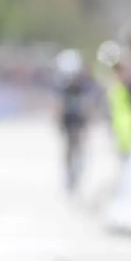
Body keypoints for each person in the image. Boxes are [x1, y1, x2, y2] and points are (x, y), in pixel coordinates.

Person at [53, 49, 96, 191]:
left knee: (78, 142)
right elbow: (57, 103)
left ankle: (77, 166)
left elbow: (89, 102)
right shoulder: (62, 84)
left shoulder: (84, 82)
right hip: (68, 117)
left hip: (79, 116)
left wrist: (88, 118)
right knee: (69, 144)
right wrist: (58, 118)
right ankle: (69, 170)